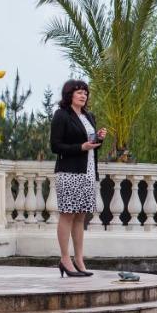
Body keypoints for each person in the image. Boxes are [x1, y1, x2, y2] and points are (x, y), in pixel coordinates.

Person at [49, 79, 107, 277]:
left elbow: (90, 144)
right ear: (69, 95)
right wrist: (81, 147)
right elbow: (55, 146)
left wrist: (98, 138)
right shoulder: (61, 115)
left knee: (81, 216)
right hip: (69, 172)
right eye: (79, 92)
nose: (83, 95)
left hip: (88, 171)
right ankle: (65, 259)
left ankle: (79, 259)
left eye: (85, 92)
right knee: (67, 214)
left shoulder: (89, 116)